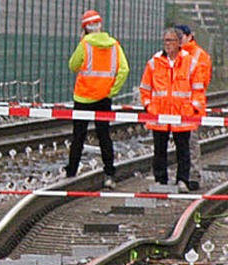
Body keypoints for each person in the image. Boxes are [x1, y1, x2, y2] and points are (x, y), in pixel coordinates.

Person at [65, 10, 129, 189]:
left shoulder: (85, 44)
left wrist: (81, 43)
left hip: (83, 97)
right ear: (100, 25)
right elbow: (124, 70)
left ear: (85, 28)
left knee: (78, 136)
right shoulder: (114, 45)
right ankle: (109, 172)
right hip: (103, 99)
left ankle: (71, 172)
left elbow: (73, 66)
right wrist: (111, 91)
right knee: (104, 137)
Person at [139, 28, 205, 193]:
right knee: (159, 149)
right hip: (159, 113)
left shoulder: (190, 63)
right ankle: (161, 180)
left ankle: (182, 180)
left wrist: (192, 109)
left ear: (179, 43)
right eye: (165, 41)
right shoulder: (154, 63)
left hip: (182, 114)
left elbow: (198, 90)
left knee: (183, 149)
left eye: (171, 41)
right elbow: (145, 88)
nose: (167, 44)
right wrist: (149, 106)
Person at [173, 24, 212, 191]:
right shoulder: (175, 54)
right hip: (176, 106)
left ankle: (193, 176)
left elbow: (201, 82)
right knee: (182, 143)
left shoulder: (198, 55)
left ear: (189, 36)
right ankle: (183, 176)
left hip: (191, 106)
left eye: (180, 36)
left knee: (191, 141)